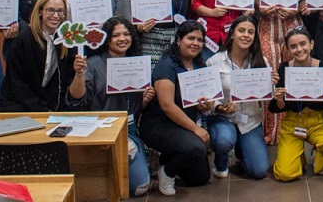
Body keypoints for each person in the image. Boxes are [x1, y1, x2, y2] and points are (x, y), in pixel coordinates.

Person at [65, 17, 156, 197]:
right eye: (116, 35)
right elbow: (76, 99)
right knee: (128, 185)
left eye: (126, 34)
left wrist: (145, 99)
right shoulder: (93, 64)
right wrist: (79, 75)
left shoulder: (136, 63)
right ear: (107, 39)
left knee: (140, 187)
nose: (122, 39)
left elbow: (137, 108)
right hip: (102, 128)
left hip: (129, 128)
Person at [138, 20, 213, 194]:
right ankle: (167, 173)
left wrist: (206, 105)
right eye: (191, 38)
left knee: (200, 178)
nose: (195, 43)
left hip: (182, 126)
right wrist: (196, 129)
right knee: (197, 148)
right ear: (178, 40)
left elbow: (205, 100)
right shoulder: (167, 65)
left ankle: (168, 158)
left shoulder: (200, 65)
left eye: (200, 40)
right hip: (158, 125)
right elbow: (167, 105)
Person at [255, 0, 313, 144]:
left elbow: (306, 2)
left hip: (292, 27)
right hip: (268, 26)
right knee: (269, 74)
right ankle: (268, 130)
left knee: (292, 74)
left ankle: (291, 129)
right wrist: (263, 8)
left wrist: (297, 9)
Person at [270, 26, 323, 181]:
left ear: (311, 44)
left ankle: (320, 158)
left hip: (318, 122)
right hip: (293, 122)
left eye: (303, 44)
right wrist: (278, 98)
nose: (299, 49)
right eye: (293, 46)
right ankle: (298, 158)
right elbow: (278, 108)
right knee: (285, 174)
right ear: (288, 50)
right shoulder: (285, 68)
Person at [205, 15, 271, 180]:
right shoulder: (214, 61)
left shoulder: (260, 62)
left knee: (259, 171)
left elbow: (268, 96)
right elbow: (209, 96)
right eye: (241, 30)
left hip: (249, 120)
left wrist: (272, 84)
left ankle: (242, 148)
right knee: (224, 140)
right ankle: (220, 159)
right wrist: (220, 107)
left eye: (250, 32)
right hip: (223, 118)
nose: (246, 35)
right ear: (232, 33)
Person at [0, 0, 79, 112]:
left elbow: (64, 81)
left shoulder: (66, 39)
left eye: (60, 11)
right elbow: (17, 81)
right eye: (50, 10)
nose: (56, 15)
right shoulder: (25, 38)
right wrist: (40, 110)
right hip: (20, 102)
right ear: (41, 11)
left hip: (49, 103)